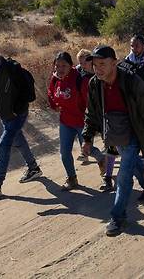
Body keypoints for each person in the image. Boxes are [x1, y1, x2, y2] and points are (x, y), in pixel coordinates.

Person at [81, 46, 144, 237]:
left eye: (102, 64)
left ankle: (118, 217)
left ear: (114, 63)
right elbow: (91, 113)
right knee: (130, 162)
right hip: (114, 132)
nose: (97, 68)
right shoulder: (95, 83)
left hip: (134, 132)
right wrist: (87, 137)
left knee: (124, 176)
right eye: (94, 64)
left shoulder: (132, 82)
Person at [0, 38, 42, 199]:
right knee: (19, 140)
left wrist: (17, 109)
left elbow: (25, 90)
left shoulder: (11, 67)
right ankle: (33, 168)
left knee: (4, 144)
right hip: (3, 115)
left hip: (17, 114)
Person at [47, 52, 90, 190]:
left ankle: (103, 162)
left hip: (82, 122)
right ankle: (72, 178)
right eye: (57, 65)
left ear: (71, 66)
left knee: (89, 149)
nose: (60, 68)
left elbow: (89, 102)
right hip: (65, 122)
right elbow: (50, 92)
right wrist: (53, 105)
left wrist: (91, 121)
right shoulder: (55, 79)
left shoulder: (79, 79)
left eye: (63, 65)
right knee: (64, 153)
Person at [76, 48, 116, 190]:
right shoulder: (86, 78)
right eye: (80, 63)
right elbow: (90, 108)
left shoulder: (110, 77)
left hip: (114, 122)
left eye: (86, 62)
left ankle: (109, 177)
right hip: (97, 120)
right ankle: (107, 175)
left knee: (114, 150)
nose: (83, 65)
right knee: (102, 149)